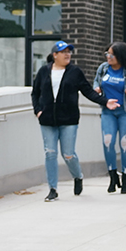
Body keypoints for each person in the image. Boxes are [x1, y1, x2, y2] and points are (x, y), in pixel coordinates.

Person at [32, 40, 105, 202]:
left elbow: (88, 91)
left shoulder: (75, 72)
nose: (67, 54)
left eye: (69, 52)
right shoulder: (44, 71)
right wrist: (38, 111)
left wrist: (105, 102)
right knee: (50, 153)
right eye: (63, 52)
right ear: (55, 55)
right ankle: (52, 189)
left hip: (69, 119)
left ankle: (78, 176)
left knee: (68, 154)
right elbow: (35, 93)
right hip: (47, 119)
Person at [94, 42, 126, 194]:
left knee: (124, 143)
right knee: (107, 142)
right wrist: (96, 88)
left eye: (112, 54)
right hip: (108, 111)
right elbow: (96, 80)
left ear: (121, 56)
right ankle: (113, 176)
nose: (108, 57)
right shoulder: (103, 68)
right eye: (107, 54)